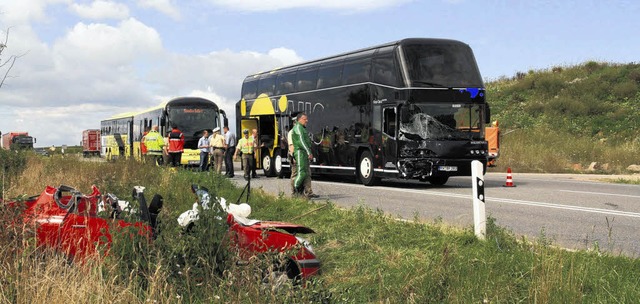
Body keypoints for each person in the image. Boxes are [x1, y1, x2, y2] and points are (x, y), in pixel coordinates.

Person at [291, 113, 318, 198]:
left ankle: (304, 192)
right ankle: (296, 190)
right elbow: (301, 142)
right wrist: (308, 152)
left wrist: (309, 151)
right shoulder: (298, 128)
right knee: (301, 172)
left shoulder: (302, 128)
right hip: (300, 152)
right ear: (299, 119)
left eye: (307, 119)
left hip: (303, 152)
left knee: (306, 173)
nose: (307, 120)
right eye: (304, 119)